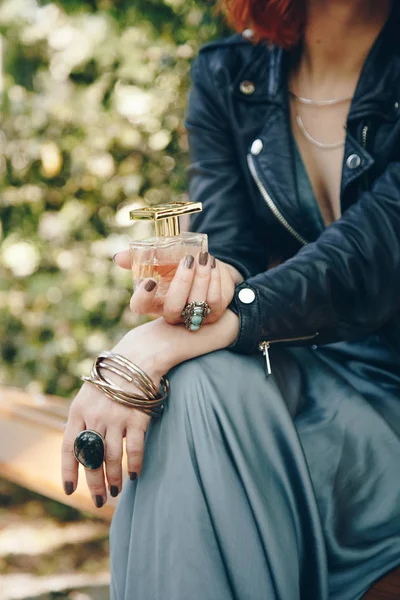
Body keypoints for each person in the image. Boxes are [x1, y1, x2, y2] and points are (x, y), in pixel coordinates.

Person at [62, 0, 400, 598]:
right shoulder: (229, 71)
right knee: (195, 386)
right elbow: (233, 246)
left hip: (385, 400)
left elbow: (374, 249)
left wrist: (150, 350)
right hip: (310, 375)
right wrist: (202, 286)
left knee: (185, 391)